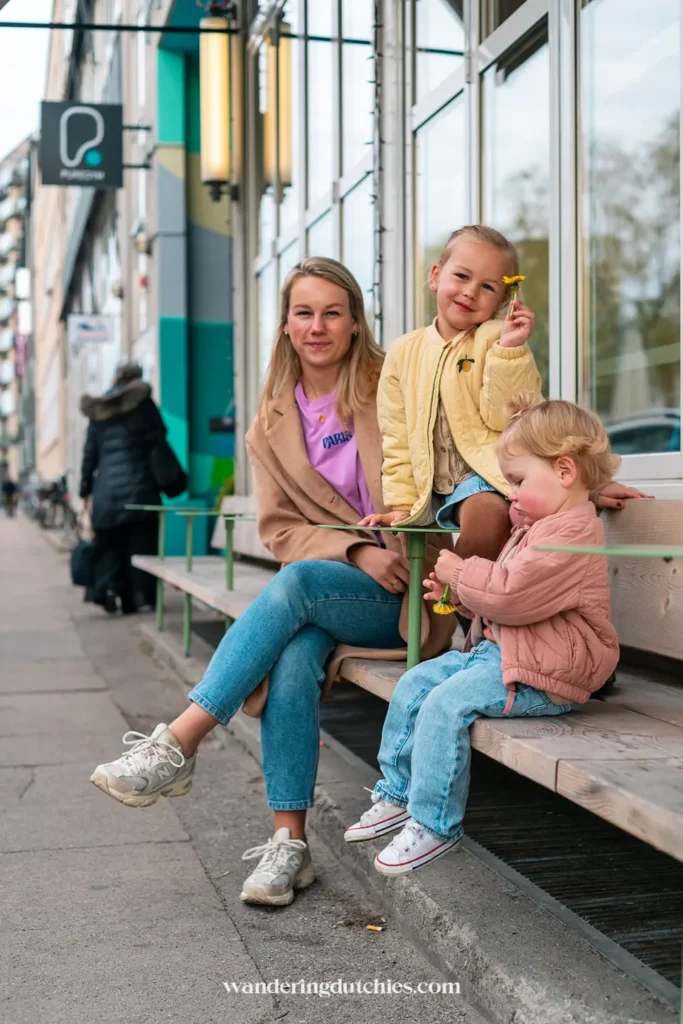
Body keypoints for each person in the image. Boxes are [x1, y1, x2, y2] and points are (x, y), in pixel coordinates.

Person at [90, 258, 455, 906]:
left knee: (296, 590)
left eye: (331, 312)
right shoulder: (269, 426)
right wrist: (352, 551)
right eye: (303, 312)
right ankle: (289, 844)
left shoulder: (391, 383)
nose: (317, 326)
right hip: (333, 586)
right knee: (290, 651)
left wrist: (380, 548)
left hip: (409, 590)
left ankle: (178, 741)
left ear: (352, 323)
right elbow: (282, 530)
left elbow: (444, 470)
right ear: (285, 325)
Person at [344, 393, 621, 875]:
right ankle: (398, 793)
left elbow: (512, 595)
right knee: (414, 684)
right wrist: (455, 595)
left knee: (444, 705)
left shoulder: (571, 533)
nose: (509, 493)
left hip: (545, 675)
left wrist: (459, 568)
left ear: (564, 472)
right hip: (506, 655)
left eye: (517, 481)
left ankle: (434, 823)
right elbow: (502, 603)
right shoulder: (539, 525)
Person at [360, 224, 645, 589]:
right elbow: (396, 435)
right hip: (426, 485)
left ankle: (455, 600)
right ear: (435, 276)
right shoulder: (403, 351)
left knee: (489, 517)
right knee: (421, 553)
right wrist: (400, 503)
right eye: (461, 276)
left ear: (502, 300)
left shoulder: (495, 338)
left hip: (486, 477)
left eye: (488, 287)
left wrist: (510, 351)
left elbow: (518, 418)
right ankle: (462, 615)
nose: (470, 292)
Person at [79, 363, 166, 614]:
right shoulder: (144, 405)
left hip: (107, 495)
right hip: (141, 490)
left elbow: (89, 455)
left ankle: (112, 590)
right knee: (142, 546)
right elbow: (158, 441)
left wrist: (85, 491)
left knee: (111, 547)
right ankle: (142, 597)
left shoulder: (99, 410)